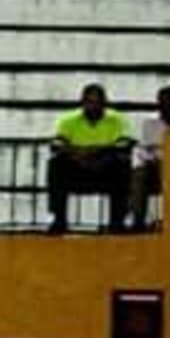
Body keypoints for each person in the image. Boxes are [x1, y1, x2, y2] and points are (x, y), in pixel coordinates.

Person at [47, 82, 133, 234]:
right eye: (90, 102)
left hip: (105, 167)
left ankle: (117, 222)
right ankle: (58, 219)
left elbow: (125, 143)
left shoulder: (117, 119)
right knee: (56, 163)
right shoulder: (68, 120)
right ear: (83, 102)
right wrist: (76, 152)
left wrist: (97, 150)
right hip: (77, 166)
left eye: (98, 102)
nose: (94, 106)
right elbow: (56, 142)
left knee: (121, 163)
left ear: (104, 103)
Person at [130, 84, 170, 230]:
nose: (166, 106)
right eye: (163, 102)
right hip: (154, 167)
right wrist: (156, 158)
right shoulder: (149, 124)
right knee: (139, 174)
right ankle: (138, 222)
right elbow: (143, 150)